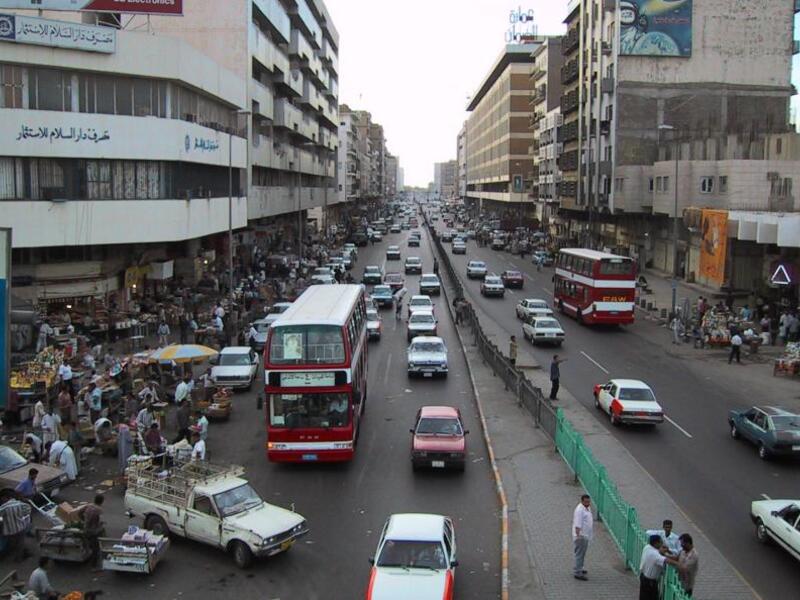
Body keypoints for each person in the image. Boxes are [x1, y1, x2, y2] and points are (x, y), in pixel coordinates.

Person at [639, 535, 679, 600]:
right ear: (656, 543)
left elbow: (661, 553)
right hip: (650, 582)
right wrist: (679, 565)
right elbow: (667, 560)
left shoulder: (647, 547)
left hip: (644, 578)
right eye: (660, 542)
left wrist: (666, 551)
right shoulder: (654, 554)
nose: (662, 544)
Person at [0, 490, 32, 563]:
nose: (2, 500)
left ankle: (8, 553)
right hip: (21, 528)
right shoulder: (20, 504)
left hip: (10, 530)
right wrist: (20, 516)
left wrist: (3, 520)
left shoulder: (3, 507)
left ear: (5, 497)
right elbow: (28, 510)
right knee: (20, 543)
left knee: (12, 542)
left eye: (2, 498)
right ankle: (18, 559)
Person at [572, 494, 593, 580]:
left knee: (582, 553)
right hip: (581, 536)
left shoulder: (586, 508)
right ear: (582, 501)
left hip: (585, 535)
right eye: (586, 502)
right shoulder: (580, 510)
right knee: (580, 554)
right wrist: (578, 536)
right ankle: (578, 572)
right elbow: (577, 524)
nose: (588, 503)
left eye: (588, 501)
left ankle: (580, 567)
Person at [82, 494, 105, 569]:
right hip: (94, 531)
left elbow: (80, 513)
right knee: (96, 548)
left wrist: (84, 521)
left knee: (91, 545)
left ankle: (91, 559)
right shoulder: (99, 510)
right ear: (101, 501)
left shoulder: (89, 506)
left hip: (86, 529)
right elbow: (100, 521)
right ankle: (94, 567)